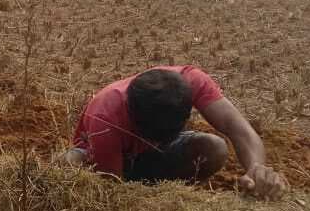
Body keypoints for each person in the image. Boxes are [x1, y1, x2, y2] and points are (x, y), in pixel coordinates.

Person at [65, 66, 288, 199]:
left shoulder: (192, 81)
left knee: (214, 148)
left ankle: (165, 187)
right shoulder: (106, 116)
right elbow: (111, 189)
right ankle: (156, 190)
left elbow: (239, 129)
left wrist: (256, 169)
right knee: (70, 163)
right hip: (104, 161)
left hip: (155, 158)